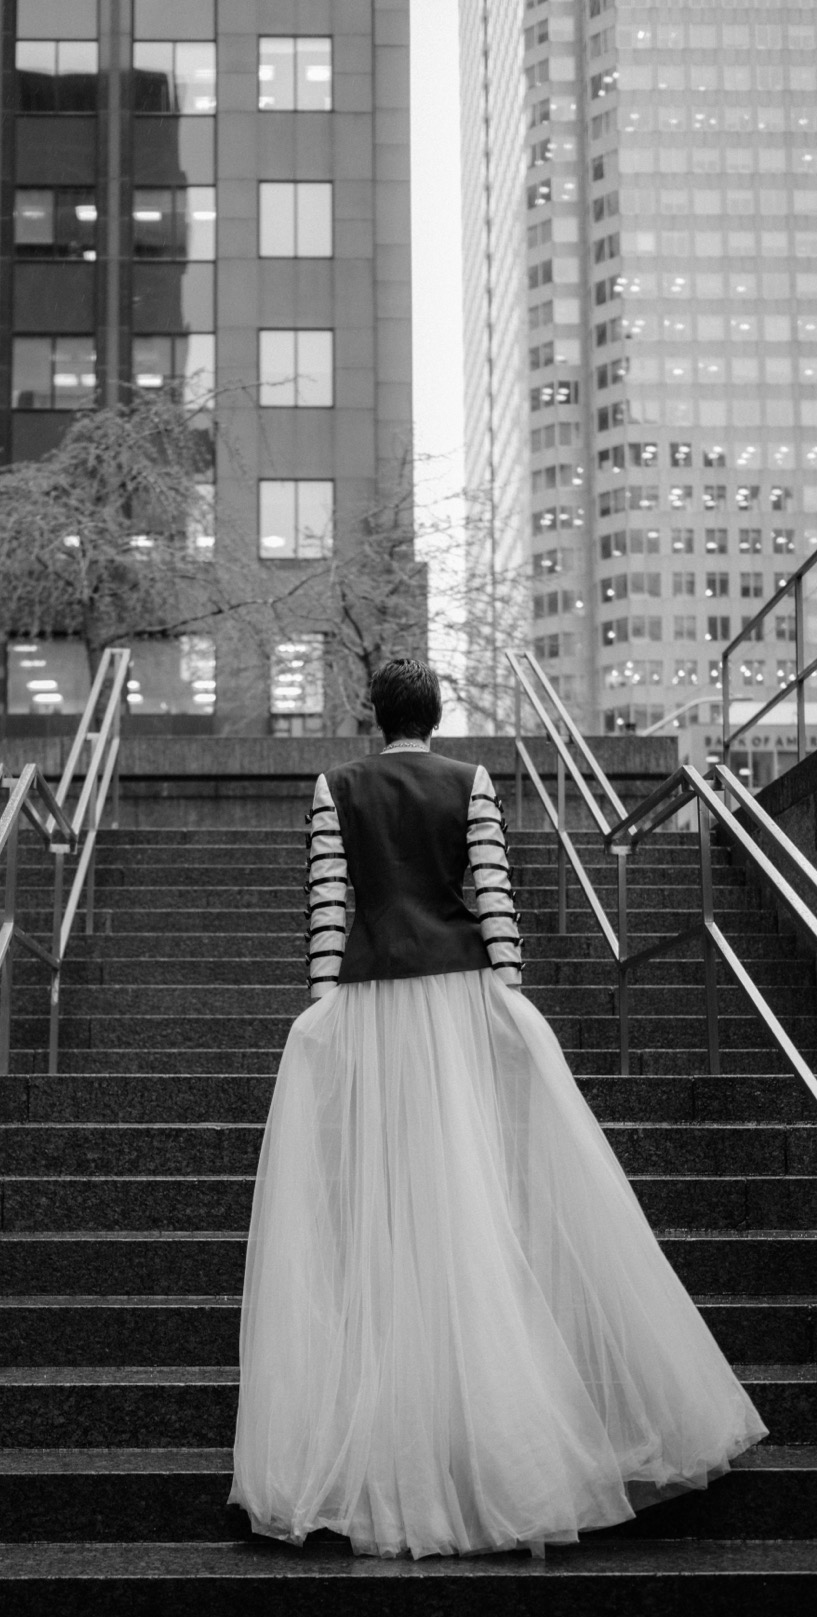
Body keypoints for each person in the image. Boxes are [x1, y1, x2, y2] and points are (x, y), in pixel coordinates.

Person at [229, 657, 766, 1560]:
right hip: (459, 996)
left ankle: (403, 1430)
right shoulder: (472, 782)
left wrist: (324, 1008)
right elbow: (494, 900)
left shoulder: (335, 787)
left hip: (368, 1000)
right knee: (474, 1197)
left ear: (374, 717)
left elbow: (329, 908)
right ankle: (503, 1430)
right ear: (435, 716)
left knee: (389, 1209)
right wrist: (508, 1001)